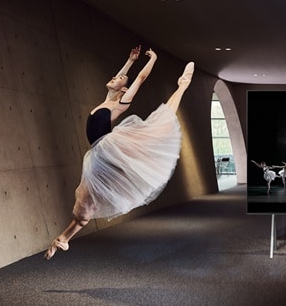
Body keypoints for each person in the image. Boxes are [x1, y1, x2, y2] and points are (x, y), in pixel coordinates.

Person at [45, 46, 194, 260]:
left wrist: (153, 59)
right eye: (116, 76)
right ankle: (64, 239)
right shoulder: (108, 98)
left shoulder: (118, 104)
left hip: (108, 148)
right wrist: (130, 60)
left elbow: (140, 79)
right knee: (86, 207)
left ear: (124, 90)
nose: (115, 77)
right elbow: (116, 80)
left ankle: (182, 86)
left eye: (120, 78)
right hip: (97, 155)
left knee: (158, 126)